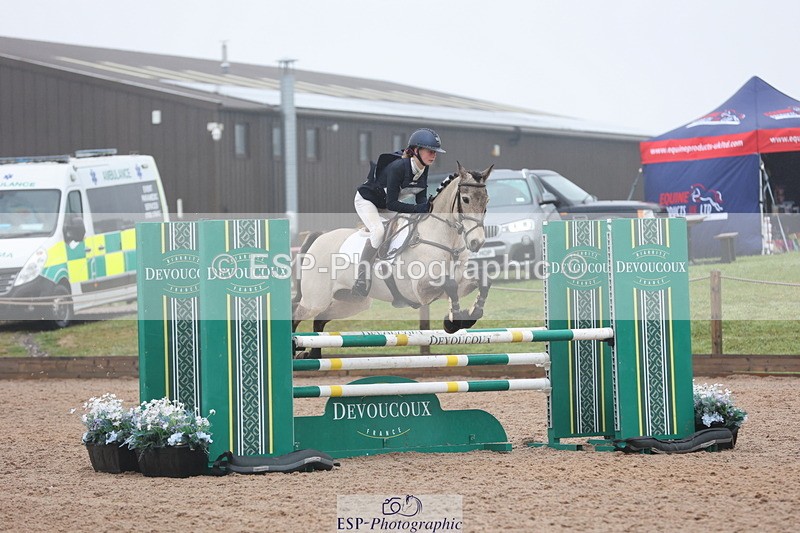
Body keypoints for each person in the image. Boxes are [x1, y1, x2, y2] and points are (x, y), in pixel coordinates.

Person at [351, 128, 446, 296]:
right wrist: (417, 209)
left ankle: (394, 267)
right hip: (367, 201)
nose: (434, 155)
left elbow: (421, 199)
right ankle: (361, 277)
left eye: (435, 152)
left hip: (386, 204)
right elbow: (393, 204)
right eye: (430, 151)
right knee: (378, 231)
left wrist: (427, 211)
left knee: (407, 226)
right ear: (416, 150)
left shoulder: (423, 168)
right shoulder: (398, 167)